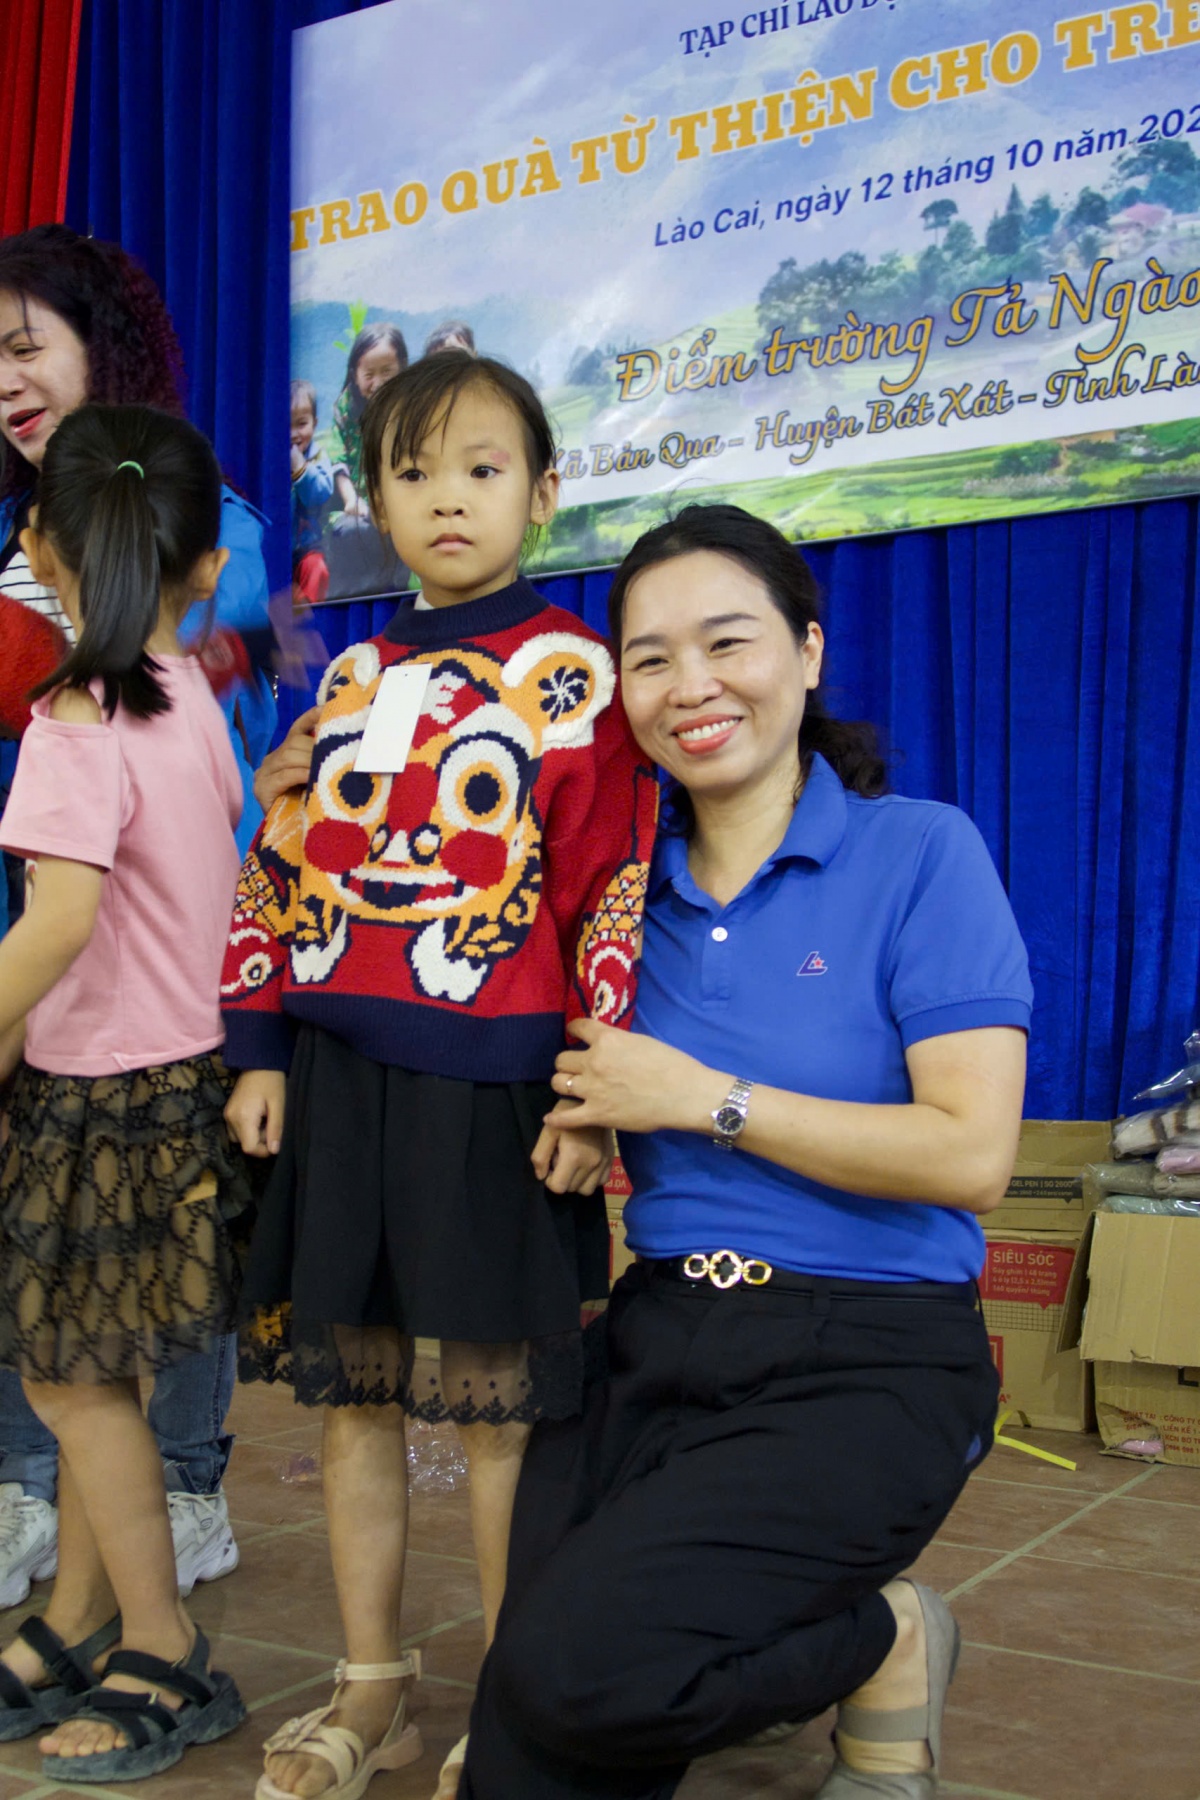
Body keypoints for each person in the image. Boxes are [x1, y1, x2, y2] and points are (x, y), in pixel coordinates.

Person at [454, 503, 1032, 1800]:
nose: (690, 686)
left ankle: (881, 1638)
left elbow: (971, 1155)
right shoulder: (610, 891)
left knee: (572, 1670)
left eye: (729, 641)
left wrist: (699, 1095)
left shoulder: (920, 854)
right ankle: (809, 1645)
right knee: (528, 1731)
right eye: (648, 659)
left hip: (868, 1352)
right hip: (654, 1339)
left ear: (810, 651)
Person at [222, 349, 657, 1800]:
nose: (446, 499)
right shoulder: (350, 673)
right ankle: (371, 1689)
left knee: (497, 1421)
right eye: (411, 473)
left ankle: (512, 1696)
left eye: (482, 469)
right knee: (354, 1402)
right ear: (376, 504)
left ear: (544, 492)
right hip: (345, 1080)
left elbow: (610, 891)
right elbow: (287, 867)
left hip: (499, 1096)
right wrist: (265, 1042)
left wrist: (593, 1099)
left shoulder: (579, 681)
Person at [0, 221, 269, 1606]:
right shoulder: (194, 710)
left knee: (68, 1384)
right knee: (103, 1374)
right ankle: (69, 1621)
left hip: (94, 1095)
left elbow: (52, 928)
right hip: (185, 1076)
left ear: (42, 556)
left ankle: (157, 1641)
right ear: (203, 566)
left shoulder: (72, 719)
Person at [326, 322, 409, 599]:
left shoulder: (413, 405)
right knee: (348, 534)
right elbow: (338, 461)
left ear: (403, 367)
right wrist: (352, 500)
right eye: (369, 374)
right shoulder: (346, 407)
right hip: (357, 503)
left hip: (400, 498)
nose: (378, 382)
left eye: (387, 372)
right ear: (355, 374)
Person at [290, 379, 333, 606]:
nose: (294, 434)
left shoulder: (318, 457)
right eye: (286, 425)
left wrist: (300, 471)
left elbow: (321, 493)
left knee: (317, 569)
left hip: (308, 546)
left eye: (301, 424)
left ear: (315, 424)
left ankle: (308, 614)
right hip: (278, 547)